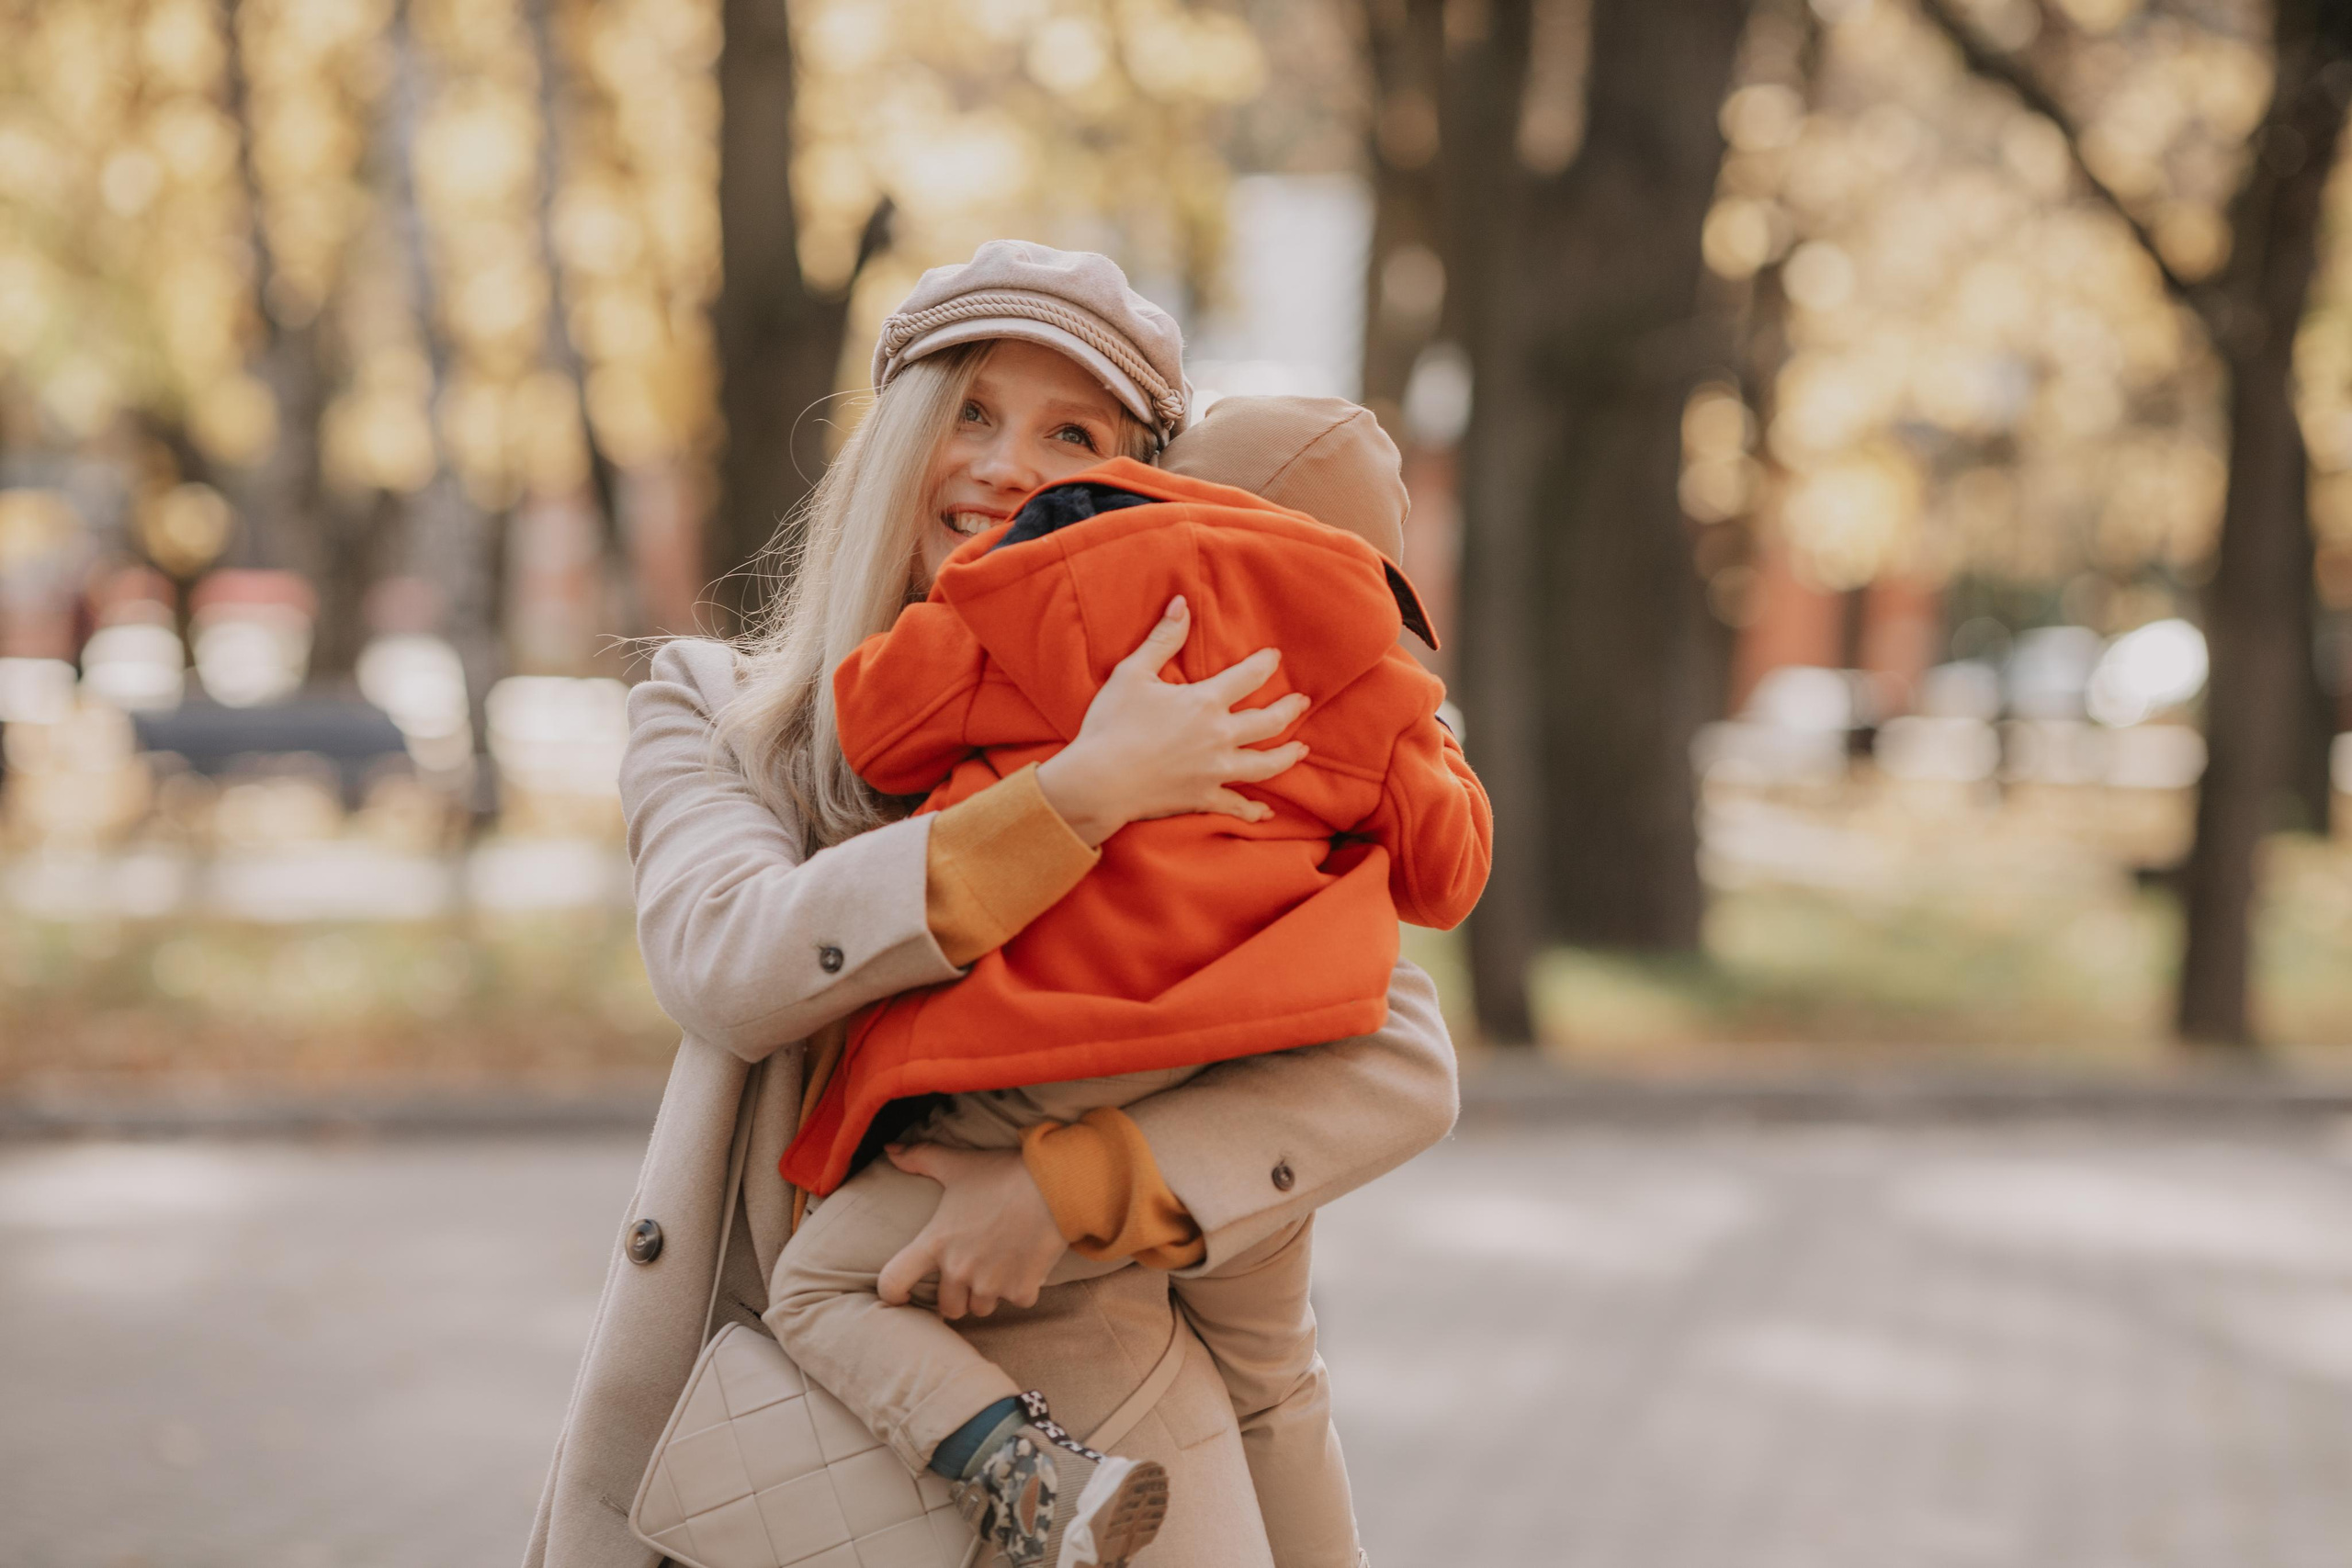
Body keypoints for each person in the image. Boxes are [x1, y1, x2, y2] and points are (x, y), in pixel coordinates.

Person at [521, 243, 1463, 1568]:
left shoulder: (1202, 722)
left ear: (1135, 486)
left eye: (1067, 430)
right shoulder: (727, 715)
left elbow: (1396, 1040)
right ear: (898, 431)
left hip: (1134, 1451)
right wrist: (1073, 799)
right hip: (785, 1463)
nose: (1003, 463)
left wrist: (1066, 1188)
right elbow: (728, 961)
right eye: (969, 410)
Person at [764, 395, 1491, 1568]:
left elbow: (876, 726)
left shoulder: (1058, 578)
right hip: (1245, 1063)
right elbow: (1447, 875)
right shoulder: (1367, 665)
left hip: (1044, 1053)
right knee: (1277, 1378)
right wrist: (1421, 724)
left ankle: (1019, 1465)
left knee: (819, 1290)